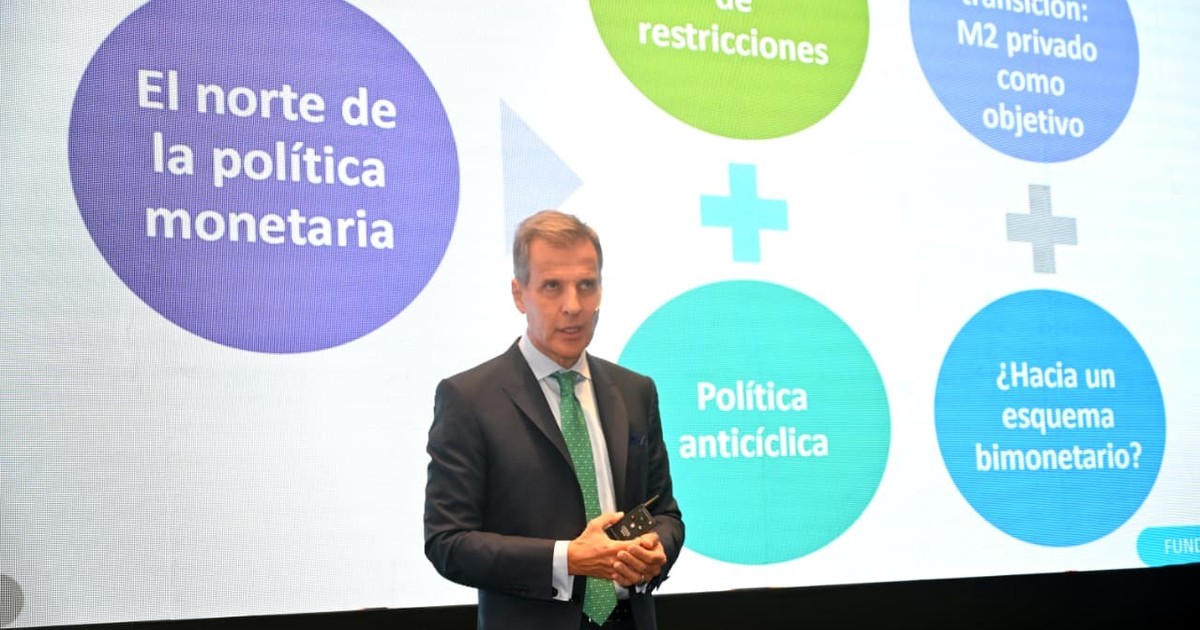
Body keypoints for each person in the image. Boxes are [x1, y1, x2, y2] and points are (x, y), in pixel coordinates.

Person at [424, 209, 684, 629]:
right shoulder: (469, 399)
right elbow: (448, 543)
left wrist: (657, 549)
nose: (573, 306)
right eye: (552, 287)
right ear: (519, 294)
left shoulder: (635, 391)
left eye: (587, 285)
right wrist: (567, 559)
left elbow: (666, 514)